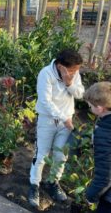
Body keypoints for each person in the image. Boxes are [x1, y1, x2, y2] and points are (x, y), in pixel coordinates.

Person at [28, 49, 84, 208]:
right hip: (47, 120)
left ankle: (53, 182)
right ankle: (34, 185)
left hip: (66, 122)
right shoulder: (45, 74)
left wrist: (69, 83)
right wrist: (63, 117)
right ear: (60, 66)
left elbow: (80, 94)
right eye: (72, 70)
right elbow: (45, 101)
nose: (75, 73)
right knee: (41, 154)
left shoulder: (74, 74)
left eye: (77, 70)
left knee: (61, 156)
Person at [83, 82, 111, 213]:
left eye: (90, 105)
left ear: (100, 108)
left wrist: (91, 196)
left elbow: (105, 175)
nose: (89, 107)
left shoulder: (104, 132)